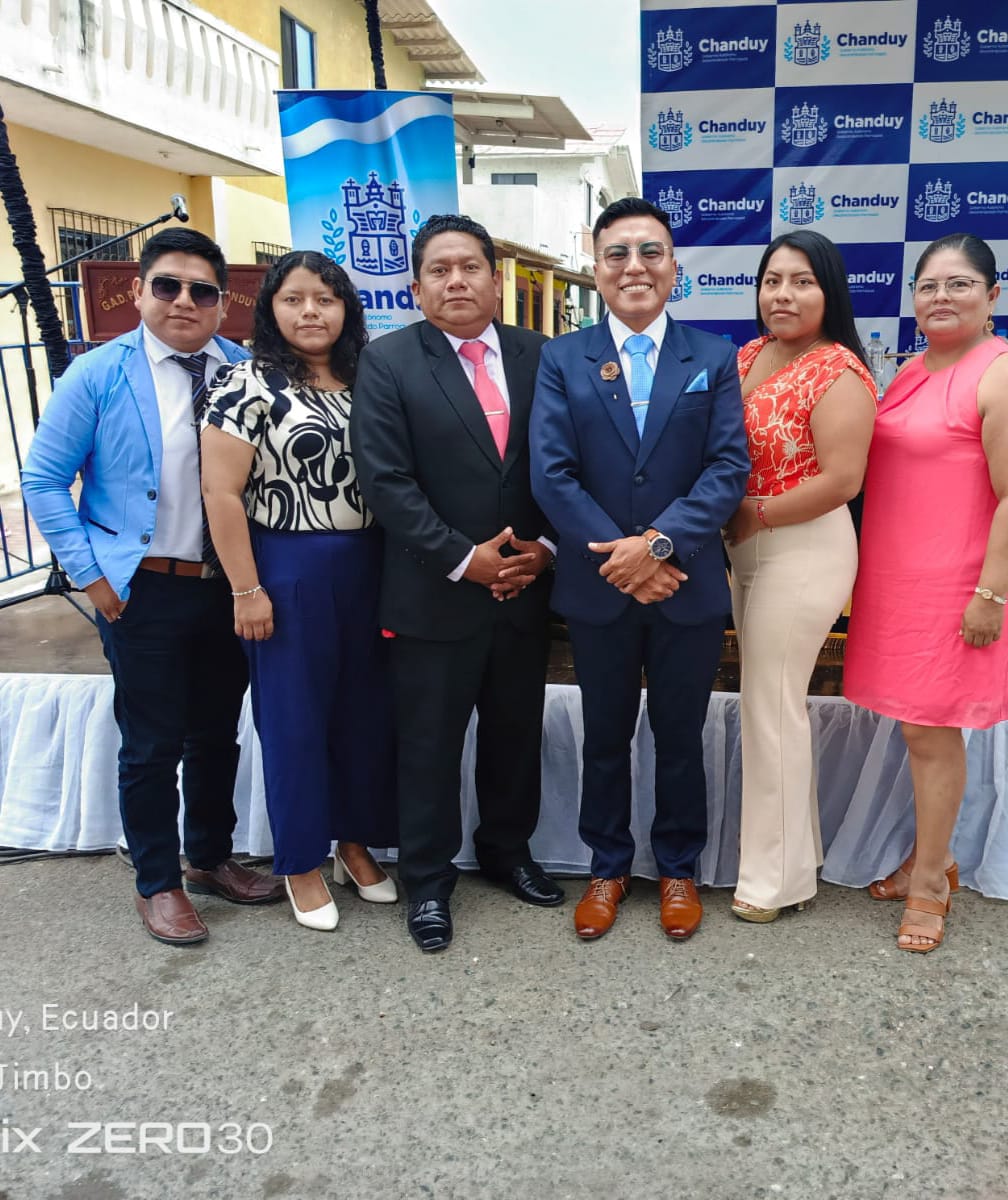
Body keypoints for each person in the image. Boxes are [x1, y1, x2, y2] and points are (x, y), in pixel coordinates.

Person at [21, 227, 284, 945]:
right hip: (142, 589)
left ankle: (210, 858)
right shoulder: (98, 374)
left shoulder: (245, 372)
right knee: (151, 742)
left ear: (222, 302)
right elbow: (43, 480)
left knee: (216, 732)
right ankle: (158, 882)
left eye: (202, 290)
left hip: (226, 586)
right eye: (167, 285)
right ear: (138, 291)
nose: (183, 301)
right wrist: (91, 576)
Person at [530, 197, 750, 941]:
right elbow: (552, 475)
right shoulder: (562, 358)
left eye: (650, 251)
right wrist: (623, 559)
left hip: (685, 582)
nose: (635, 267)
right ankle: (607, 865)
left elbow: (727, 469)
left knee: (681, 736)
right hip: (600, 588)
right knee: (604, 736)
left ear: (674, 267)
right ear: (596, 269)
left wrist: (656, 545)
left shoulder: (712, 357)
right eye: (618, 253)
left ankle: (679, 868)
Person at [351, 213, 563, 953]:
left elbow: (567, 463)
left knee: (514, 735)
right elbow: (386, 480)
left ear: (495, 281)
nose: (456, 281)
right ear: (416, 289)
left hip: (524, 589)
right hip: (434, 592)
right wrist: (464, 559)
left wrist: (547, 548)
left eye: (470, 267)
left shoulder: (542, 355)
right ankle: (428, 881)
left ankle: (508, 852)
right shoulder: (387, 361)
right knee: (429, 746)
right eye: (438, 271)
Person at [201, 251, 397, 932]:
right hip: (287, 565)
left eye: (325, 298)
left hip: (369, 564)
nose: (310, 311)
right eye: (294, 299)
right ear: (270, 308)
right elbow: (220, 492)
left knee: (364, 715)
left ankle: (353, 842)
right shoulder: (246, 381)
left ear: (346, 308)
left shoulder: (369, 376)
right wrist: (245, 588)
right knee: (295, 721)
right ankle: (301, 859)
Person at [844, 232, 1008, 954]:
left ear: (992, 295)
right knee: (916, 727)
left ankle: (932, 882)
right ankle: (928, 856)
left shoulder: (997, 373)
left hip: (958, 585)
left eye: (959, 284)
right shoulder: (910, 369)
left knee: (930, 731)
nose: (941, 297)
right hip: (896, 579)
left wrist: (991, 595)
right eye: (929, 285)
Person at [722, 230, 877, 923]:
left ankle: (772, 883)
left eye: (802, 281)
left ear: (829, 291)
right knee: (768, 703)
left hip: (804, 547)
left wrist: (754, 513)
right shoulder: (748, 355)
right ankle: (791, 858)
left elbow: (843, 480)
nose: (782, 295)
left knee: (771, 706)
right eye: (772, 280)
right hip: (746, 546)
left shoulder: (840, 370)